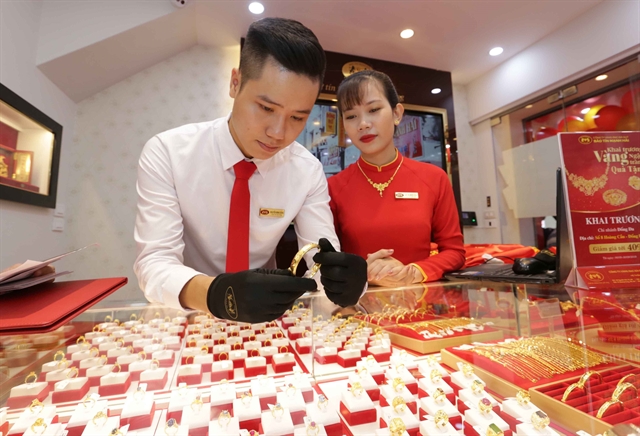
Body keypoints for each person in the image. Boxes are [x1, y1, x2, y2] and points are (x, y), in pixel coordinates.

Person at [134, 18, 367, 323]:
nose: (278, 133)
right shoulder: (168, 152)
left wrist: (346, 282)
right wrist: (218, 294)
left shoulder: (306, 170)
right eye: (267, 108)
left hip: (264, 320)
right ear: (235, 83)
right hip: (186, 314)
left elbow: (320, 258)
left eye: (297, 117)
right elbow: (154, 263)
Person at [329, 70, 465, 287]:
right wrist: (363, 272)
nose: (363, 124)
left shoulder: (434, 178)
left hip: (420, 302)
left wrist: (412, 272)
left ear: (396, 113)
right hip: (358, 303)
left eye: (373, 110)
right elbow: (327, 260)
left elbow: (454, 252)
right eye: (351, 116)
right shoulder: (333, 187)